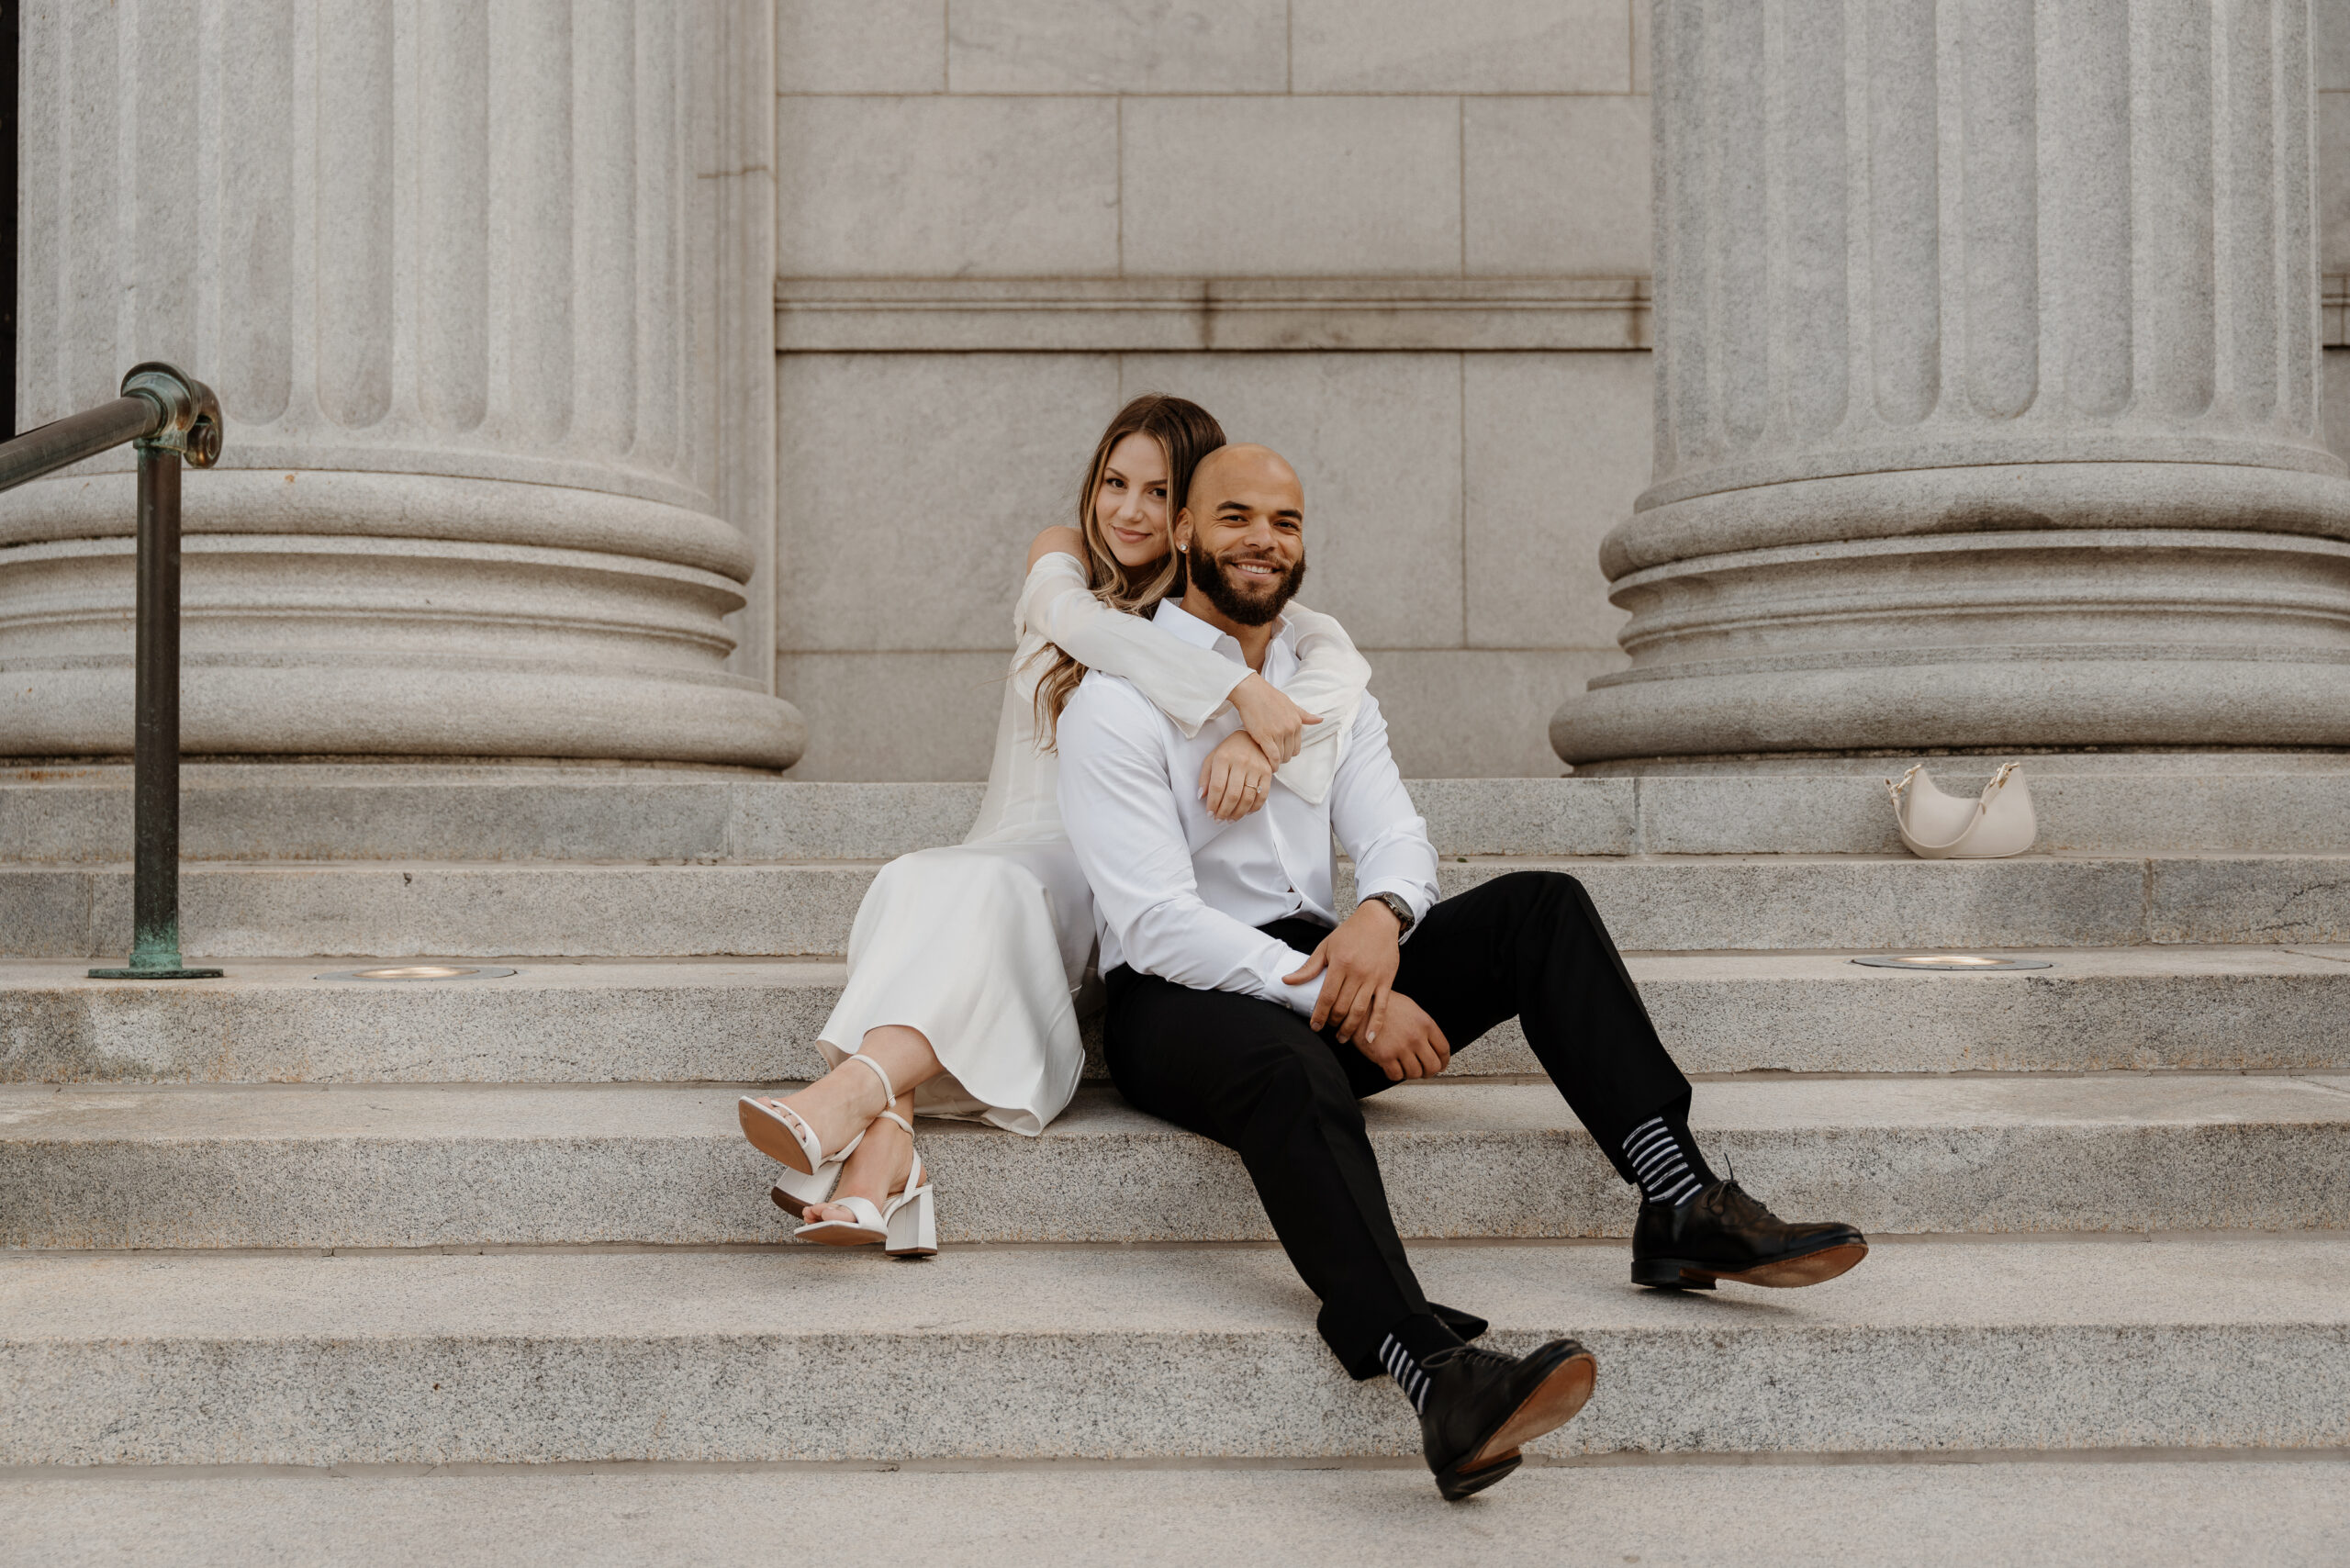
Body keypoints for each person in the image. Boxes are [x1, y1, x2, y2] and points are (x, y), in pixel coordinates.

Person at [1054, 443, 1868, 1501]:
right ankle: (1432, 1373)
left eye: (1286, 522)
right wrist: (1338, 994)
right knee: (1285, 1072)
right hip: (1177, 1005)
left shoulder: (1321, 681)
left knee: (1542, 907)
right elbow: (1157, 923)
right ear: (1180, 535)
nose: (1262, 539)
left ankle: (1678, 1201)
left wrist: (1382, 922)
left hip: (1329, 957)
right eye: (1235, 516)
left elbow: (1397, 834)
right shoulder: (1113, 701)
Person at [735, 398, 1371, 1255]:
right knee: (928, 876)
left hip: (1100, 871)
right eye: (1115, 481)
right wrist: (1234, 697)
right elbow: (1078, 627)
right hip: (1003, 845)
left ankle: (851, 1100)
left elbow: (1342, 671)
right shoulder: (1064, 566)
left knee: (981, 890)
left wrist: (1261, 724)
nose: (1128, 510)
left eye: (1157, 492)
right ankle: (884, 1151)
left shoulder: (1228, 622)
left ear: (1190, 518)